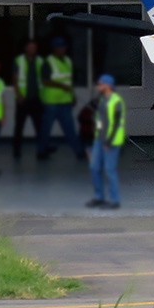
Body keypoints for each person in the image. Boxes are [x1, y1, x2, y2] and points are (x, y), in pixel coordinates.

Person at [39, 37, 84, 161]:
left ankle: (79, 151)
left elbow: (68, 82)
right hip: (51, 102)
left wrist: (72, 95)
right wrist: (60, 86)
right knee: (46, 128)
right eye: (60, 47)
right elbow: (44, 81)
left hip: (65, 101)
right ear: (55, 48)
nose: (63, 49)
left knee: (70, 128)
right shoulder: (48, 62)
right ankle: (41, 151)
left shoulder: (68, 61)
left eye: (64, 47)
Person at [88, 74, 125, 209]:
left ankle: (114, 201)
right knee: (94, 167)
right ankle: (99, 197)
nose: (98, 86)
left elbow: (115, 124)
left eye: (100, 84)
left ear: (108, 85)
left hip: (111, 141)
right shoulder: (103, 100)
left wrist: (108, 142)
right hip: (99, 140)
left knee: (109, 170)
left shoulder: (116, 101)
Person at [12, 40, 44, 160]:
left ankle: (41, 151)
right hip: (23, 99)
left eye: (34, 47)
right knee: (19, 126)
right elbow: (14, 79)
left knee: (40, 127)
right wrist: (18, 94)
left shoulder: (40, 61)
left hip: (36, 99)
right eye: (30, 47)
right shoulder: (18, 60)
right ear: (25, 48)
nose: (32, 49)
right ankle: (16, 151)